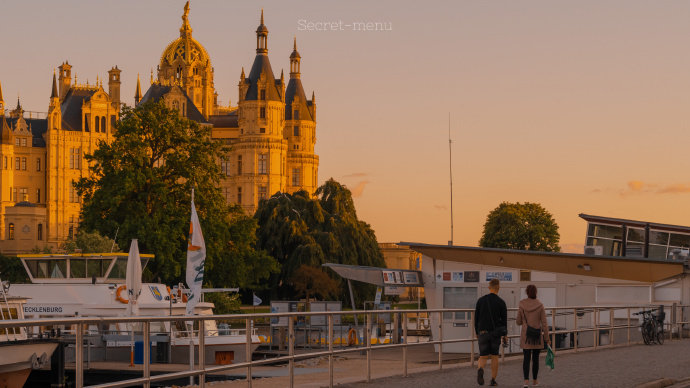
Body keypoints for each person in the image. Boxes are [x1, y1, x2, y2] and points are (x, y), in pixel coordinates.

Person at [474, 278, 507, 386]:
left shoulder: (481, 300)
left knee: (483, 356)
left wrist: (477, 332)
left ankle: (480, 369)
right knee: (494, 356)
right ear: (498, 288)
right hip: (495, 334)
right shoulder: (501, 302)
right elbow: (504, 321)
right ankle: (493, 380)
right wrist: (505, 335)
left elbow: (476, 318)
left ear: (489, 287)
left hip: (482, 332)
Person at [516, 284, 550, 388]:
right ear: (536, 292)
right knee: (535, 359)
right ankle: (535, 381)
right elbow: (544, 323)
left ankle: (526, 382)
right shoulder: (540, 305)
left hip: (526, 336)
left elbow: (518, 321)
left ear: (527, 292)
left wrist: (524, 321)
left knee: (526, 358)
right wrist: (547, 338)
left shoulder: (522, 304)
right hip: (536, 336)